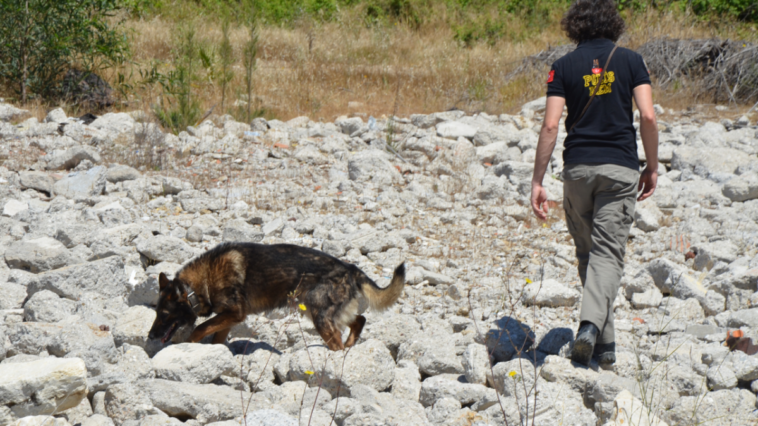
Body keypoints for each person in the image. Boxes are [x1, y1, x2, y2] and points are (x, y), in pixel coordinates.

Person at [530, 0, 659, 366]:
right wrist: (651, 166)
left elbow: (551, 125)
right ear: (613, 23)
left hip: (577, 171)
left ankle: (604, 347)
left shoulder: (562, 66)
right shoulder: (632, 61)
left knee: (590, 254)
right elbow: (647, 116)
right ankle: (590, 325)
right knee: (608, 253)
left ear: (575, 26)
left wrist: (538, 180)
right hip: (619, 169)